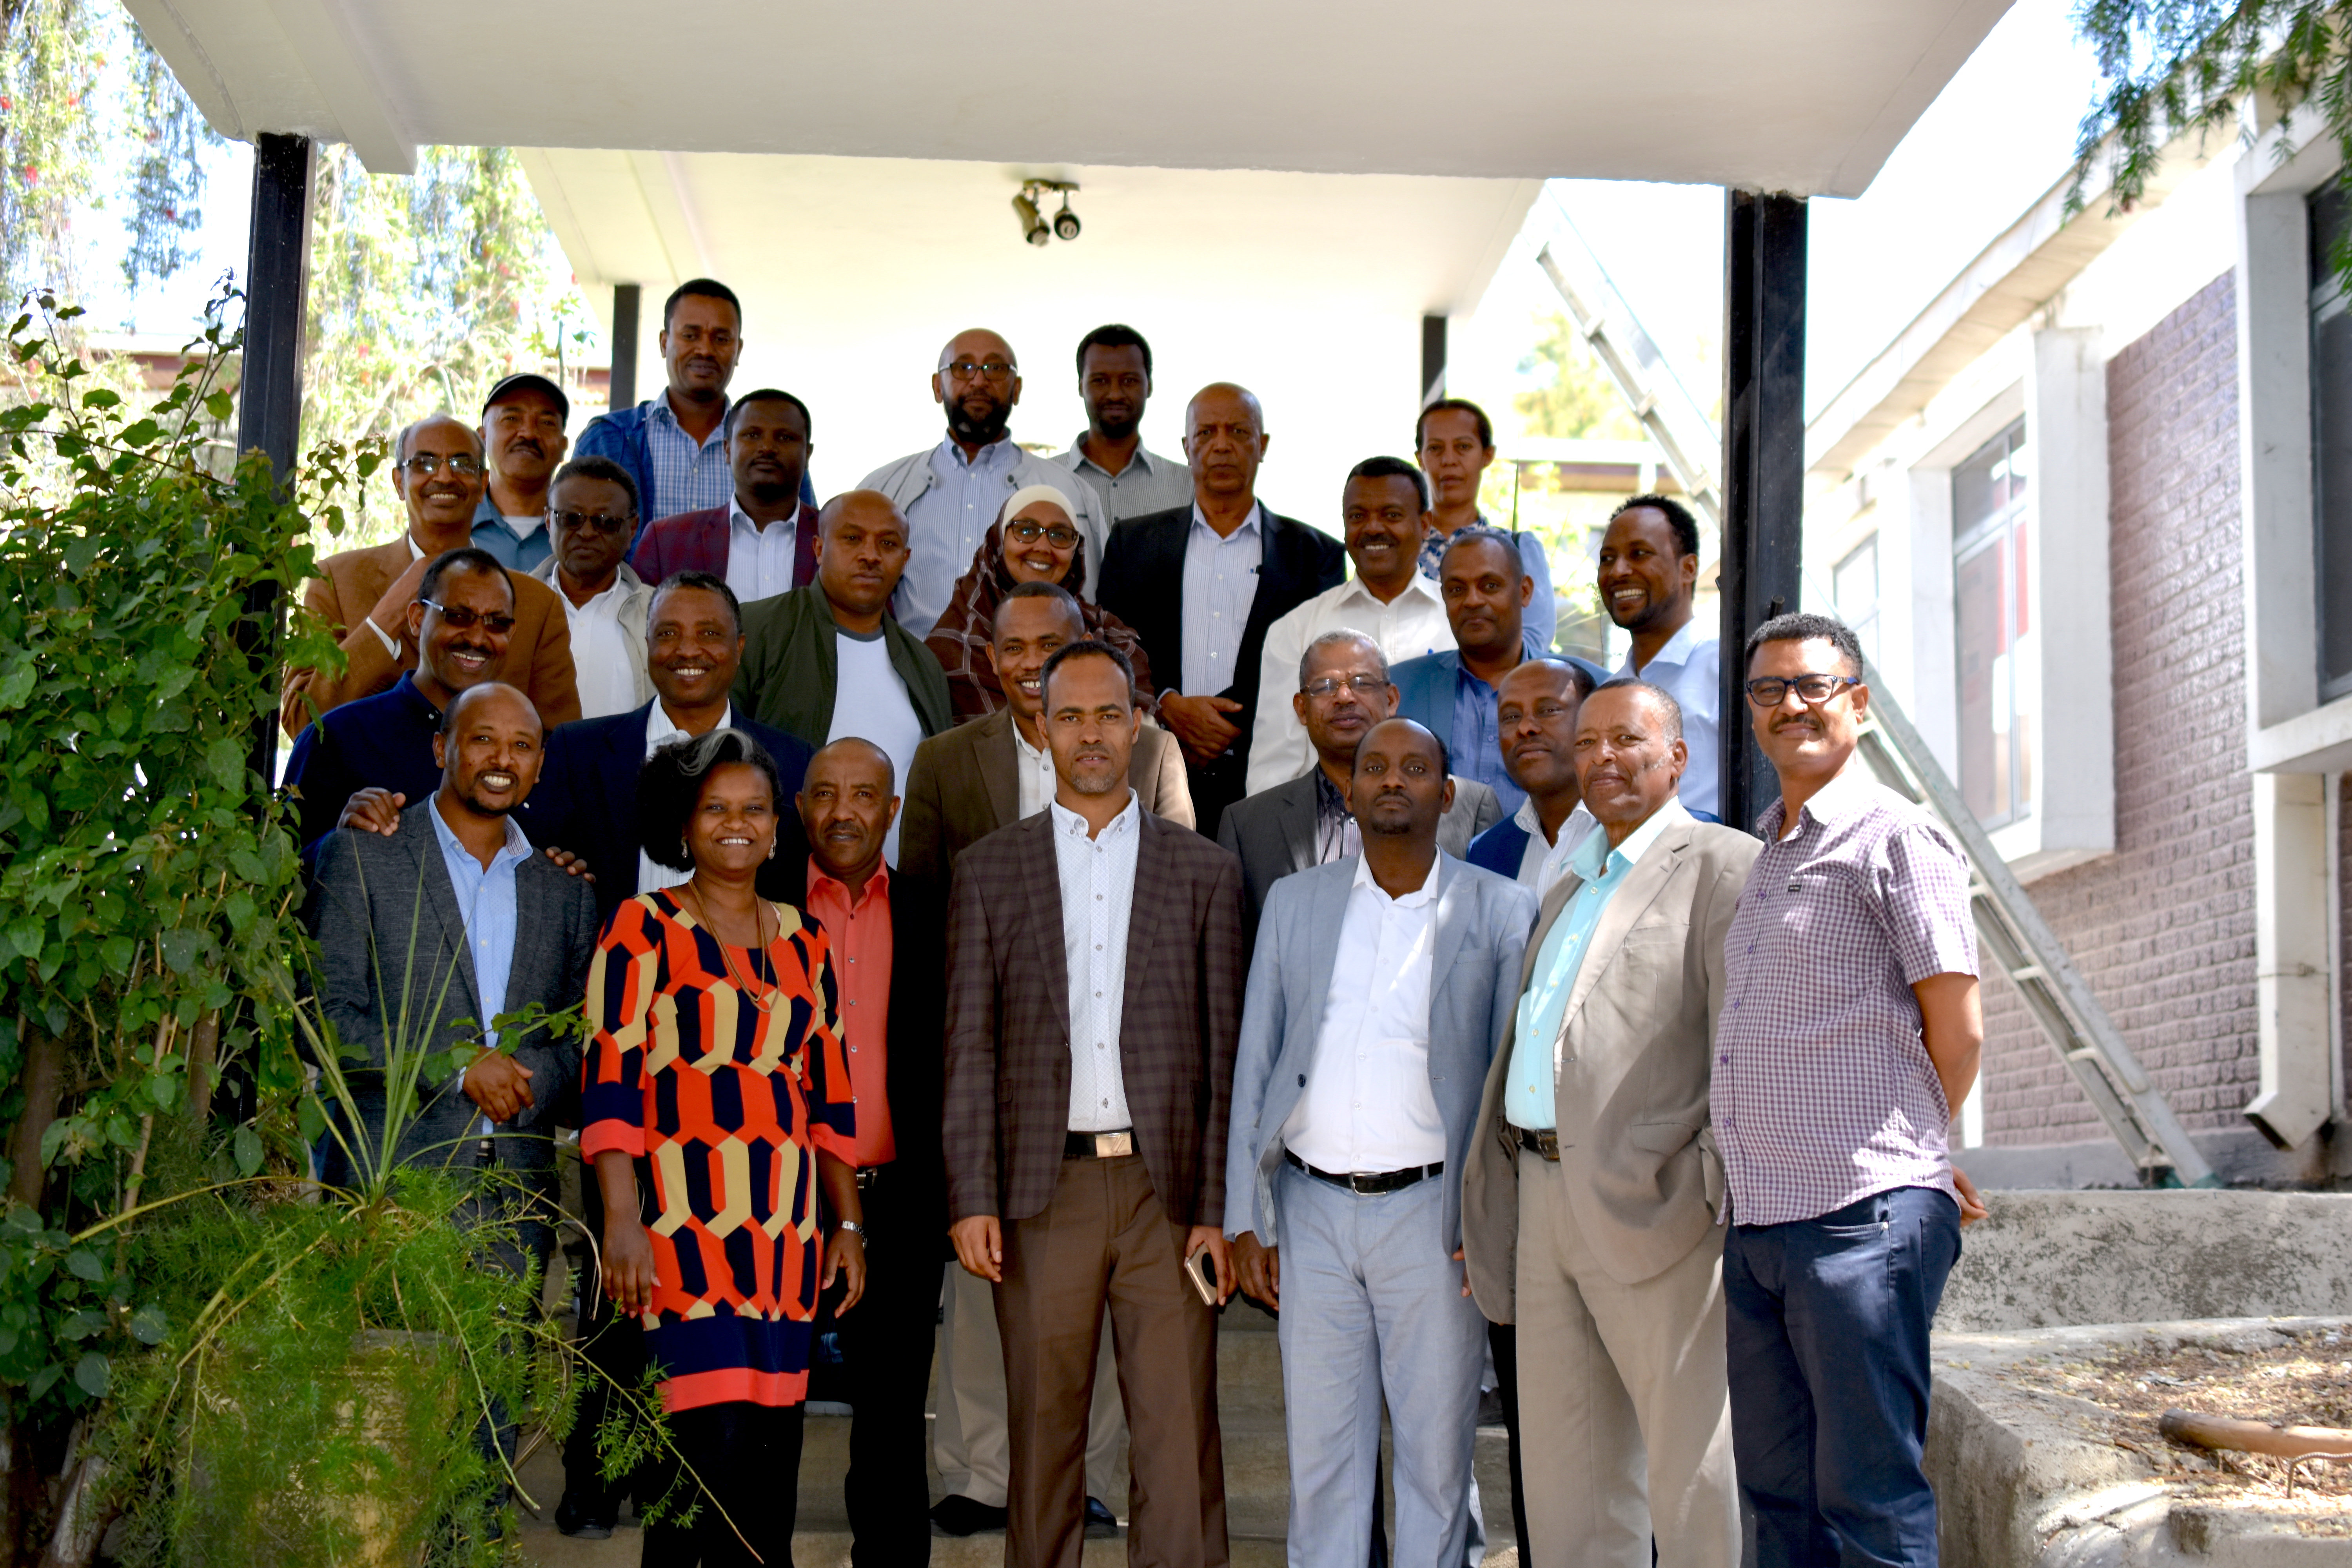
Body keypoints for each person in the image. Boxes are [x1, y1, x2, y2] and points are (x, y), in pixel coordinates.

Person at [942, 639, 1244, 1568]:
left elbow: (1225, 1055)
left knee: (1177, 1440)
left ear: (1138, 724)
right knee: (1043, 1442)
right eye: (1067, 714)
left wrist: (1216, 1211)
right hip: (1043, 1193)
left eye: (1108, 713)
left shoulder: (1202, 872)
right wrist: (972, 1195)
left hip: (1166, 1197)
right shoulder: (992, 870)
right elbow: (968, 1044)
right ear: (1040, 723)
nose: (1089, 733)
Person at [898, 582, 1189, 1538]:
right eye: (1013, 645)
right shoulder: (947, 761)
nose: (1029, 659)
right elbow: (935, 929)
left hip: (1125, 1086)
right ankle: (982, 1471)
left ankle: (1093, 1472)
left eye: (1049, 643)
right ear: (992, 660)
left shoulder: (1149, 752)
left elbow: (1177, 895)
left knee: (1106, 1335)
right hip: (1008, 1077)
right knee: (996, 1318)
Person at [526, 577, 814, 1540]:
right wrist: (623, 1208)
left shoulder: (796, 898)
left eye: (710, 632)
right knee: (673, 1424)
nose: (688, 646)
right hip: (655, 1164)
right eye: (670, 631)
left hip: (773, 1213)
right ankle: (588, 1471)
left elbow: (822, 1075)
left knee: (748, 1463)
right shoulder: (585, 767)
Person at [1459, 678, 1760, 1568]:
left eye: (1628, 740)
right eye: (1587, 744)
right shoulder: (1569, 882)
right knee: (1567, 1480)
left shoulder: (1721, 865)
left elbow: (1744, 1049)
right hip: (1543, 1203)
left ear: (1677, 756)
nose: (1604, 759)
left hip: (1658, 1206)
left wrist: (1704, 1180)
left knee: (1691, 1475)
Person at [1225, 715, 1533, 1568]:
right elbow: (1257, 1060)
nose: (1392, 779)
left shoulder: (1503, 909)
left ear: (1448, 792)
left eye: (1414, 766)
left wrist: (1491, 1222)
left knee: (1437, 1460)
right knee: (1323, 1459)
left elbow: (1511, 1085)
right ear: (1350, 790)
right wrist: (1246, 1211)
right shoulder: (1296, 901)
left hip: (1435, 1219)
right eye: (1374, 767)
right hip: (1313, 1210)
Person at [1716, 613, 1985, 1568]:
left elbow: (1958, 1028)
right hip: (1760, 1230)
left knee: (1869, 1504)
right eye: (1768, 690)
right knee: (1780, 1506)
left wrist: (1914, 1154)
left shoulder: (1897, 837)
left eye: (1812, 685)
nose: (1790, 704)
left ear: (1858, 705)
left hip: (1858, 1224)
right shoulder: (1768, 850)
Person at [583, 726, 866, 1568]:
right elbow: (610, 1084)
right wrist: (622, 1221)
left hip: (782, 1240)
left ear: (779, 825)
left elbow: (832, 1099)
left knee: (767, 1485)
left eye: (754, 809)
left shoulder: (805, 940)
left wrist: (847, 1227)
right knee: (694, 1474)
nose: (736, 824)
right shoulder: (642, 927)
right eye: (715, 809)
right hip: (680, 1237)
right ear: (683, 822)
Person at [303, 679, 599, 1249]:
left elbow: (582, 1039)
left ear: (539, 766)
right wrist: (460, 1069)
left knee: (510, 1345)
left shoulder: (566, 893)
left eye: (521, 746)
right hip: (387, 1188)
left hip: (518, 1202)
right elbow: (324, 1023)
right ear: (442, 749)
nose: (502, 760)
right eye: (483, 739)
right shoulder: (362, 856)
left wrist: (526, 1075)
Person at [788, 738, 948, 1567]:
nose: (842, 810)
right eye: (824, 793)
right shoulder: (761, 908)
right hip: (779, 1196)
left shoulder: (936, 910)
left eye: (863, 795)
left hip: (903, 1197)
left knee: (891, 1407)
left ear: (892, 811)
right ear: (801, 806)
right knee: (769, 1406)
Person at [1096, 383, 1346, 835]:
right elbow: (1107, 647)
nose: (1222, 445)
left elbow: (1322, 664)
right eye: (1207, 433)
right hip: (1151, 773)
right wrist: (1167, 704)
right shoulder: (1131, 544)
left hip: (1268, 778)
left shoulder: (1315, 555)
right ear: (1187, 447)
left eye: (1238, 431)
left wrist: (1228, 722)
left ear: (1263, 445)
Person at [281, 414, 579, 737]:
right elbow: (302, 723)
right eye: (424, 463)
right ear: (399, 482)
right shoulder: (335, 581)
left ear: (483, 486)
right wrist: (385, 619)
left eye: (463, 464)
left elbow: (559, 746)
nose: (445, 476)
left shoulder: (537, 604)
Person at [1218, 630, 1502, 944]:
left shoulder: (1471, 806)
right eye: (1326, 686)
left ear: (1392, 699)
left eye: (1362, 683)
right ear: (1301, 709)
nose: (1344, 697)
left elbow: (1487, 936)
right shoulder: (1247, 825)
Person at [733, 492, 953, 865]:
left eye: (888, 543)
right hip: (779, 891)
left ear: (905, 560)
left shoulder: (924, 665)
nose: (870, 555)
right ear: (819, 548)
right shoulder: (757, 631)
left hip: (895, 900)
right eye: (852, 538)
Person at [858, 329, 1109, 639]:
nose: (978, 380)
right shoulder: (883, 488)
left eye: (995, 368)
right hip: (910, 679)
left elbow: (1093, 607)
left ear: (1017, 389)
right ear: (938, 387)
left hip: (1025, 681)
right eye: (963, 368)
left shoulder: (1071, 494)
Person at [286, 548, 524, 848]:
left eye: (497, 622)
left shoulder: (525, 753)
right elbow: (282, 875)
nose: (477, 638)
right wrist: (342, 840)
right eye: (458, 617)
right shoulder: (338, 738)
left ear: (511, 633)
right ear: (416, 619)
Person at [1247, 457, 1453, 793]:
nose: (1373, 528)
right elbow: (1275, 765)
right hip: (1323, 832)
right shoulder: (1298, 629)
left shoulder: (1455, 622)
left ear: (1425, 524)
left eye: (1391, 515)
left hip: (1441, 824)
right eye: (1358, 517)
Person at [575, 279, 818, 536]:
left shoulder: (775, 449)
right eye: (690, 336)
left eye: (722, 339)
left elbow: (807, 540)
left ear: (738, 350)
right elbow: (571, 536)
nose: (705, 350)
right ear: (664, 343)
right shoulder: (607, 441)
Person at [925, 485, 1154, 720]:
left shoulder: (1108, 633)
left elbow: (1142, 734)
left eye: (1060, 535)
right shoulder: (955, 641)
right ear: (999, 540)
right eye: (1025, 530)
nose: (1043, 547)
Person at [1392, 527, 1542, 814]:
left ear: (1524, 591)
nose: (1472, 601)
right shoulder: (1398, 688)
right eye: (1457, 589)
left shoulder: (1579, 689)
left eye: (1490, 586)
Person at [627, 388, 820, 601]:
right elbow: (639, 627)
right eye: (752, 435)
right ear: (728, 449)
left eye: (785, 437)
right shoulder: (665, 541)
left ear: (808, 454)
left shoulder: (835, 538)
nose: (767, 448)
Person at [1599, 495, 1721, 820]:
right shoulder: (1608, 693)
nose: (1619, 571)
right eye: (1607, 558)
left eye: (1639, 554)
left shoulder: (1727, 671)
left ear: (1689, 568)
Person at [1416, 399, 1555, 656]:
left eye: (1463, 447)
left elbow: (1534, 640)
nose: (1449, 460)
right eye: (1435, 449)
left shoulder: (1518, 548)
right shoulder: (1403, 551)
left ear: (1487, 455)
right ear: (1420, 459)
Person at [528, 456, 653, 720]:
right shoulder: (513, 605)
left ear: (632, 529)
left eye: (606, 522)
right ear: (549, 521)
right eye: (572, 519)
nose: (586, 533)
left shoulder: (658, 617)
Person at [1466, 659, 1603, 897]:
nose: (1526, 727)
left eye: (1549, 710)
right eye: (1510, 716)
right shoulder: (1486, 852)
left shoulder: (1638, 834)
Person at [1054, 324, 1193, 524]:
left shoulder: (1186, 486)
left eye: (1129, 381)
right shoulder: (1043, 482)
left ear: (1150, 386)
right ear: (1080, 386)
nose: (1115, 395)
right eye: (1100, 381)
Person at [472, 372, 570, 572]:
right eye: (511, 418)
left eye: (546, 422)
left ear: (563, 446)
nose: (529, 433)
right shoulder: (453, 527)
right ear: (482, 438)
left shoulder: (582, 537)